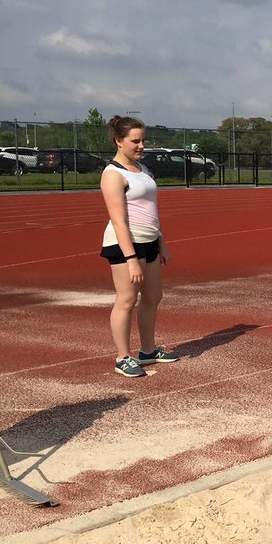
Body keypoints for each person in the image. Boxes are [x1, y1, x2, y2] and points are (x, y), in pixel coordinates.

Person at [99, 114, 179, 377]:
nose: (141, 145)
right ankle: (122, 357)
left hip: (150, 241)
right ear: (119, 141)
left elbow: (152, 211)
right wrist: (131, 258)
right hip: (126, 244)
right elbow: (119, 221)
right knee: (127, 299)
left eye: (143, 140)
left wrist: (162, 242)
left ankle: (148, 350)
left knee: (153, 297)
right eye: (135, 141)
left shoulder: (142, 170)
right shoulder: (113, 174)